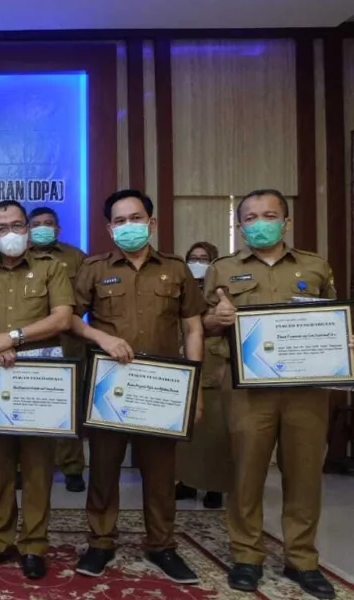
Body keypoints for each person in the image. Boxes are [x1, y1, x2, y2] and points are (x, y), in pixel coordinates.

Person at [203, 190, 337, 599]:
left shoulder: (315, 266)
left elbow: (333, 320)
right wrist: (216, 318)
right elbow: (203, 324)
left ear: (286, 222)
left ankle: (302, 560)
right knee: (246, 473)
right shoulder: (223, 269)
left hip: (305, 388)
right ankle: (247, 556)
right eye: (250, 217)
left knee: (305, 474)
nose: (260, 223)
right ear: (240, 225)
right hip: (248, 389)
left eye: (269, 215)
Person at [69, 189, 205, 584]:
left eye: (136, 218)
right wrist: (102, 337)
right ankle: (100, 542)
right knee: (103, 469)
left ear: (151, 222)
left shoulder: (176, 269)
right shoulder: (94, 269)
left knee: (160, 473)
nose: (129, 226)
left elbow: (193, 328)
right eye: (120, 221)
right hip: (109, 388)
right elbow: (70, 319)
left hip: (162, 390)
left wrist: (194, 387)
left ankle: (162, 545)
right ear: (109, 229)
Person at [0, 201, 74, 578]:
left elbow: (62, 318)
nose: (10, 233)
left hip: (40, 380)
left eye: (16, 225)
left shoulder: (51, 268)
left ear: (27, 229)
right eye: (1, 228)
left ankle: (33, 545)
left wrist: (11, 338)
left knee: (37, 468)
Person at [28, 206, 88, 493]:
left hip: (67, 340)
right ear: (28, 229)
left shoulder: (76, 257)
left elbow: (86, 297)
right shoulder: (17, 256)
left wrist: (64, 319)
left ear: (58, 228)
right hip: (29, 342)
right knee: (29, 402)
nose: (42, 227)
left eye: (48, 223)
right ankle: (26, 467)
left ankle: (72, 468)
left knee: (68, 405)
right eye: (36, 224)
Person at [174, 241, 231, 510]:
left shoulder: (220, 288)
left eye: (203, 258)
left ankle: (215, 487)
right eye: (193, 258)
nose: (197, 263)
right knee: (187, 432)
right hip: (181, 360)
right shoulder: (180, 285)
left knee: (215, 430)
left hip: (214, 362)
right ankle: (186, 481)